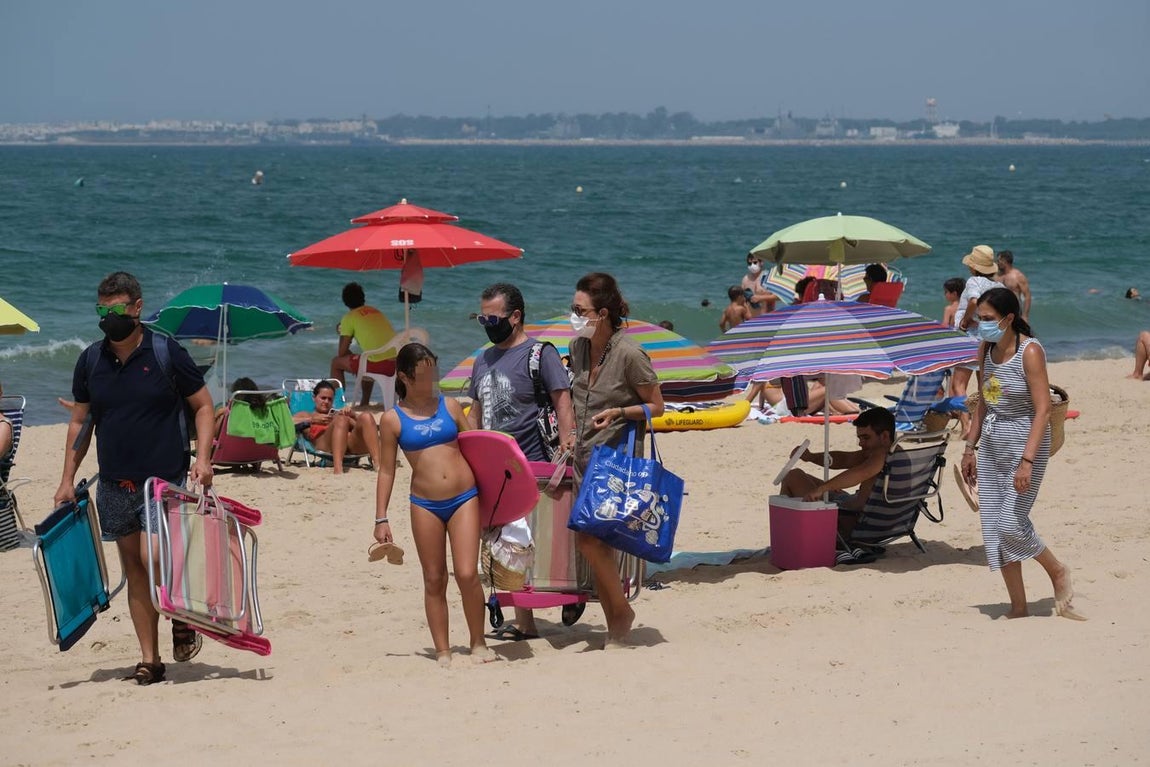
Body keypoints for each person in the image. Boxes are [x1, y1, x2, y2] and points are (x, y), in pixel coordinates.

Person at [54, 272, 216, 686]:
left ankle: (180, 613)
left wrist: (204, 458)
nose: (109, 318)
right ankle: (150, 659)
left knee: (154, 558)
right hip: (114, 485)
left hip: (163, 480)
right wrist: (66, 478)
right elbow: (80, 421)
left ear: (137, 308)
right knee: (136, 571)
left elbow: (202, 406)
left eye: (116, 310)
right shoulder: (91, 360)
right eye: (101, 311)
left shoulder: (166, 353)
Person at [960, 288, 1082, 621]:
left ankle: (1057, 571)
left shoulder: (1030, 352)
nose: (981, 325)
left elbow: (1043, 410)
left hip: (1024, 441)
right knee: (993, 529)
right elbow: (982, 403)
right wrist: (969, 449)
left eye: (987, 319)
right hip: (992, 443)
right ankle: (1018, 606)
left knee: (1010, 523)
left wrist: (1027, 461)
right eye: (979, 319)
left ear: (1009, 319)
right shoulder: (985, 349)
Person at [375, 342, 495, 666]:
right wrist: (380, 518)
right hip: (425, 504)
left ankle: (478, 642)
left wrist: (498, 496)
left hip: (465, 498)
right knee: (434, 578)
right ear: (404, 377)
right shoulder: (392, 420)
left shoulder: (451, 406)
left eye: (434, 373)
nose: (432, 381)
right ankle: (443, 650)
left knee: (468, 573)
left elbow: (478, 449)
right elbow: (386, 470)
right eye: (424, 375)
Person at [467, 282, 576, 639]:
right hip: (491, 469)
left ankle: (533, 617)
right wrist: (467, 448)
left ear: (515, 317)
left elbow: (562, 400)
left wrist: (567, 443)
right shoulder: (482, 359)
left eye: (493, 317)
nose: (486, 323)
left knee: (527, 544)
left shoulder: (539, 353)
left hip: (533, 463)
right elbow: (477, 409)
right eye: (482, 317)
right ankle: (523, 619)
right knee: (500, 544)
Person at [569, 272, 665, 647]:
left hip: (616, 463)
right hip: (582, 457)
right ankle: (617, 625)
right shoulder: (578, 348)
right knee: (597, 544)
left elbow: (656, 406)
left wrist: (621, 413)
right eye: (573, 309)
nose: (574, 316)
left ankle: (621, 612)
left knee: (590, 543)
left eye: (580, 310)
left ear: (603, 313)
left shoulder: (629, 353)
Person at [780, 407, 895, 537]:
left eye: (866, 438)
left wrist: (824, 488)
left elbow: (859, 473)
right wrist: (811, 457)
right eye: (859, 438)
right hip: (882, 520)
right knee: (806, 479)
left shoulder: (881, 455)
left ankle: (785, 536)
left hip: (852, 522)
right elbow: (845, 459)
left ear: (885, 436)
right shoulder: (896, 454)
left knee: (793, 476)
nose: (861, 443)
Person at [951, 245, 1005, 436]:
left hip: (970, 338)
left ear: (973, 267)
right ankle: (991, 422)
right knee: (988, 382)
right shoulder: (999, 286)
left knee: (958, 383)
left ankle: (967, 425)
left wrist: (967, 320)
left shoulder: (974, 281)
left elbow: (973, 301)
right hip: (990, 340)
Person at [330, 282, 398, 407]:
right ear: (363, 298)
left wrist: (342, 333)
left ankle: (338, 403)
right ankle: (365, 402)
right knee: (365, 358)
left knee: (336, 362)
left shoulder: (349, 318)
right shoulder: (375, 311)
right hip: (397, 364)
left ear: (345, 301)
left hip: (380, 365)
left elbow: (341, 353)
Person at [291, 380, 380, 473]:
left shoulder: (337, 414)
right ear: (314, 398)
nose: (326, 401)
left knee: (366, 416)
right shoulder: (306, 414)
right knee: (341, 419)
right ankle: (338, 468)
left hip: (350, 446)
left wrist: (352, 416)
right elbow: (289, 423)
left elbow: (363, 427)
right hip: (323, 443)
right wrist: (313, 419)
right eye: (323, 398)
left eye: (330, 399)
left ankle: (377, 464)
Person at [996, 250, 1032, 321]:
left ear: (1004, 261)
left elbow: (1027, 296)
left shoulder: (1018, 276)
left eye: (998, 261)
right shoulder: (997, 275)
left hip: (1014, 311)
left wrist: (1025, 316)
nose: (997, 263)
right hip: (998, 311)